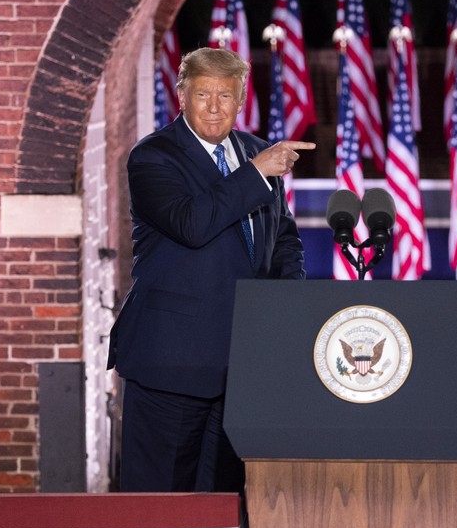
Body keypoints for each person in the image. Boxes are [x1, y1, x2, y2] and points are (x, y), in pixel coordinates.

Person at [107, 47, 314, 492]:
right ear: (182, 95)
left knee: (227, 502)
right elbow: (192, 223)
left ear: (241, 100)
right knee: (162, 504)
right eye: (203, 94)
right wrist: (256, 172)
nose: (215, 106)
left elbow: (282, 239)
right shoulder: (153, 157)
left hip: (242, 367)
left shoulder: (258, 152)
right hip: (171, 364)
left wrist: (285, 304)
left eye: (226, 95)